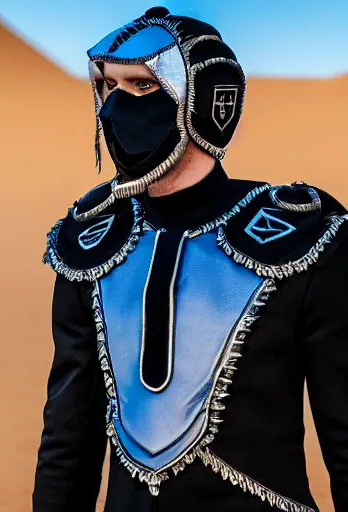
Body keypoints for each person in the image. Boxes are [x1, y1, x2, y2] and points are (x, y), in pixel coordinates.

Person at [33, 7, 348, 512]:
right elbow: (68, 443)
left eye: (140, 86)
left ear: (203, 101)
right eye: (107, 87)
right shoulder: (89, 242)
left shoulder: (303, 237)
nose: (113, 108)